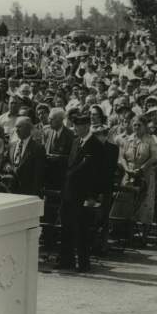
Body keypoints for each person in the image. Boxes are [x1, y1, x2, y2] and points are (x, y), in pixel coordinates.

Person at [58, 109, 107, 272]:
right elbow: (70, 165)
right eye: (75, 125)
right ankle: (67, 260)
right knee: (67, 227)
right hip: (69, 192)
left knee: (82, 229)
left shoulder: (96, 145)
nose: (76, 128)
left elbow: (98, 174)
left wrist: (93, 196)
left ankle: (83, 263)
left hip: (84, 193)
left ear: (86, 126)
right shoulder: (75, 142)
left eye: (78, 125)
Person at [3, 116, 46, 197]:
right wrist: (7, 166)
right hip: (11, 190)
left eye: (19, 127)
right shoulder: (12, 145)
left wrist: (35, 194)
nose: (16, 130)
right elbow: (5, 161)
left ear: (28, 128)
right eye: (16, 127)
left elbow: (39, 173)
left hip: (28, 192)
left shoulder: (37, 148)